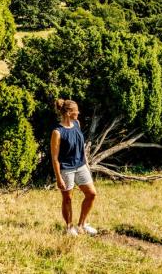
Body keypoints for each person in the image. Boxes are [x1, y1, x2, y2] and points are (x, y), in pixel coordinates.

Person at [50, 98, 98, 236]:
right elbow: (54, 157)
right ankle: (69, 227)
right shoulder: (57, 132)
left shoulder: (77, 123)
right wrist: (59, 178)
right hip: (66, 169)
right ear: (69, 112)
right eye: (76, 110)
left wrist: (87, 165)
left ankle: (82, 225)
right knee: (68, 198)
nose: (79, 112)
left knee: (92, 194)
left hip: (81, 166)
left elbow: (80, 147)